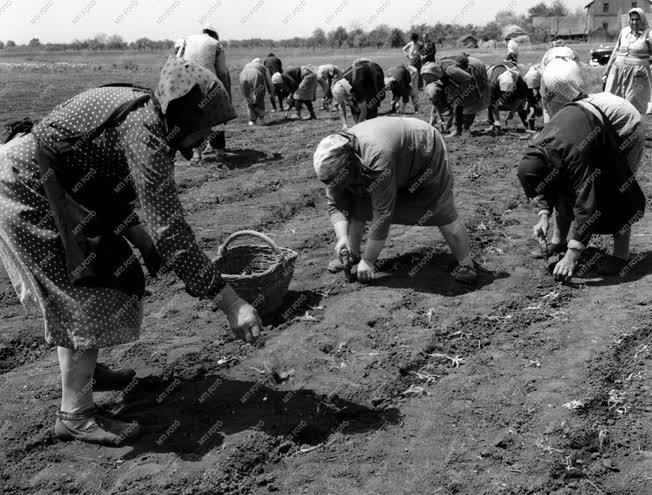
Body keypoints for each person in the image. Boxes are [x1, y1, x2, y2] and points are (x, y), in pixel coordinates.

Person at [0, 57, 263, 446]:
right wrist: (231, 303)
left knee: (115, 269)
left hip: (62, 184)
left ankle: (84, 372)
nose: (207, 135)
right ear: (185, 116)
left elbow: (106, 189)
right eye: (206, 125)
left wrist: (142, 243)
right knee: (87, 288)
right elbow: (170, 232)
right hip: (28, 188)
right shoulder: (147, 133)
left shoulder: (148, 116)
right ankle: (75, 414)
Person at [313, 117, 478, 284]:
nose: (334, 185)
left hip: (422, 149)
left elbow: (383, 214)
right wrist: (342, 237)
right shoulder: (333, 164)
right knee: (358, 203)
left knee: (439, 207)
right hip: (390, 153)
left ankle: (466, 264)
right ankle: (352, 255)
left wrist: (370, 260)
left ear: (350, 164)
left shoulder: (376, 158)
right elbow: (336, 205)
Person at [524, 58, 647, 276]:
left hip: (625, 128)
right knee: (563, 184)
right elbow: (550, 177)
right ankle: (558, 241)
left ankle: (620, 256)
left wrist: (574, 252)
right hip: (597, 132)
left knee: (616, 189)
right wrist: (543, 214)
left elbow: (585, 195)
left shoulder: (577, 132)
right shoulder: (556, 127)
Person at [176, 25, 231, 164]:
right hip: (209, 84)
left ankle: (196, 156)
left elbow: (178, 60)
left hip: (188, 85)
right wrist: (224, 92)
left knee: (195, 121)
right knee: (216, 119)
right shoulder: (216, 44)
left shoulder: (187, 40)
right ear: (214, 35)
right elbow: (223, 72)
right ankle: (220, 154)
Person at [422, 56, 489, 136]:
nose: (432, 81)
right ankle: (458, 130)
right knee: (458, 100)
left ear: (435, 74)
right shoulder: (436, 75)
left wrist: (458, 92)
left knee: (470, 98)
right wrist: (433, 118)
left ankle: (466, 129)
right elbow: (435, 100)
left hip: (473, 66)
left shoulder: (449, 70)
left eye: (432, 79)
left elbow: (468, 79)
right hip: (461, 72)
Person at [604, 7, 652, 115]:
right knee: (614, 100)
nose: (634, 22)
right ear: (629, 20)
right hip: (618, 71)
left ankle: (633, 122)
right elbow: (616, 50)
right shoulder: (624, 31)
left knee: (633, 102)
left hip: (637, 74)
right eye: (632, 19)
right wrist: (607, 70)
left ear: (642, 20)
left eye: (637, 19)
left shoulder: (649, 34)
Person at [331, 59, 385, 130]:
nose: (346, 103)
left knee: (371, 110)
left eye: (346, 99)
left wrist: (357, 127)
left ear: (348, 93)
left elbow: (364, 111)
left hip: (373, 82)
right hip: (358, 83)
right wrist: (344, 124)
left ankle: (374, 129)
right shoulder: (337, 85)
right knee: (355, 108)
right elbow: (341, 106)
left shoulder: (357, 87)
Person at [486, 63, 532, 134]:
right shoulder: (492, 85)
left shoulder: (519, 81)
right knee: (491, 102)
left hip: (511, 81)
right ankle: (493, 124)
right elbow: (493, 103)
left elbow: (521, 98)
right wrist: (497, 120)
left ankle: (527, 126)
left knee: (522, 106)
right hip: (494, 76)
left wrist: (512, 111)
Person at [239, 57, 275, 126]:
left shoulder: (246, 65)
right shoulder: (262, 67)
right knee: (259, 96)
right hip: (255, 74)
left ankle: (252, 120)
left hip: (242, 75)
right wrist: (272, 92)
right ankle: (261, 119)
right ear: (260, 63)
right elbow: (269, 82)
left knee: (248, 98)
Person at [522, 64, 543, 131]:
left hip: (544, 83)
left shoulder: (545, 78)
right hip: (537, 81)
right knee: (529, 105)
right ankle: (531, 130)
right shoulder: (525, 81)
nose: (534, 89)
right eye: (533, 88)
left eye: (536, 87)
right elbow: (529, 98)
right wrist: (532, 111)